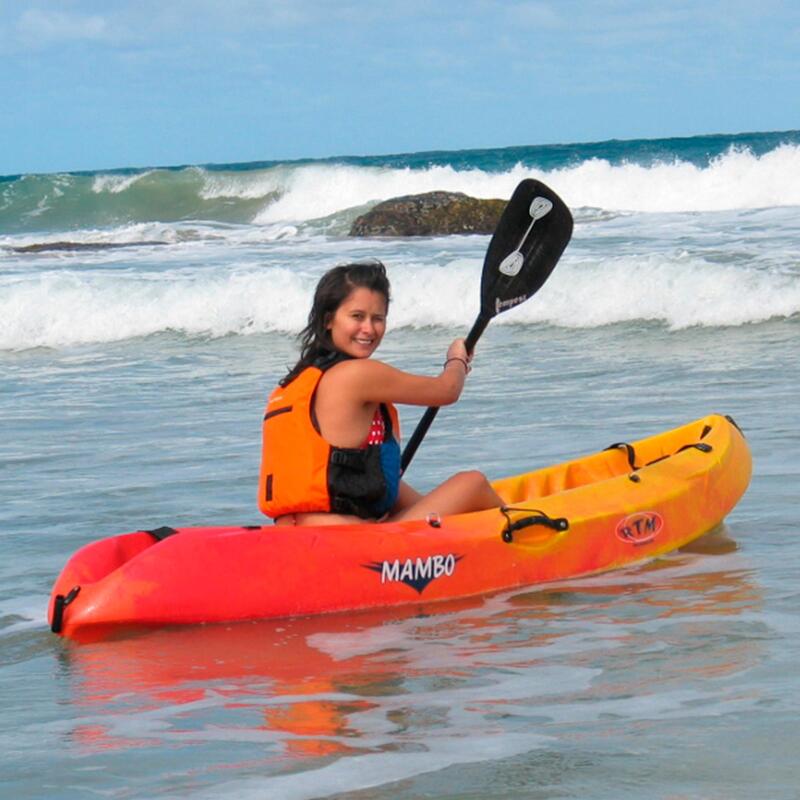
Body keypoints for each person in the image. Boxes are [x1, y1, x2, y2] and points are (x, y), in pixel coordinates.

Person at [259, 260, 504, 526]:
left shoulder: (299, 381)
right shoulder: (359, 374)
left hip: (300, 533)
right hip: (349, 542)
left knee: (400, 489)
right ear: (328, 319)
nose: (369, 329)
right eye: (357, 316)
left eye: (378, 318)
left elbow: (361, 478)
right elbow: (447, 390)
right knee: (473, 483)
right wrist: (457, 359)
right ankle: (530, 541)